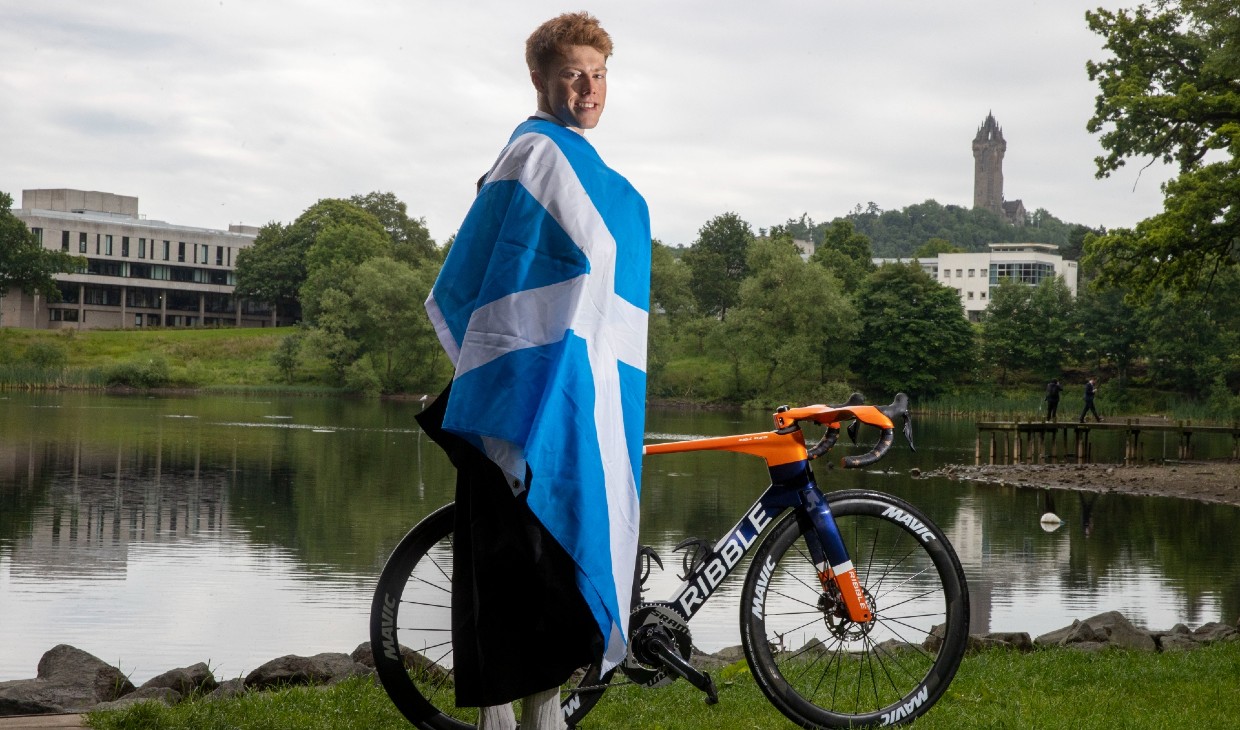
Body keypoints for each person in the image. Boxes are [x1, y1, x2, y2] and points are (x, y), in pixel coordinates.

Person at [416, 13, 650, 730]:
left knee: (550, 564)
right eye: (573, 74)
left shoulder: (593, 175)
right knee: (506, 564)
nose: (588, 89)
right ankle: (499, 718)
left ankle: (545, 711)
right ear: (541, 79)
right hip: (514, 393)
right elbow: (492, 279)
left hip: (573, 396)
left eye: (599, 75)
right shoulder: (533, 155)